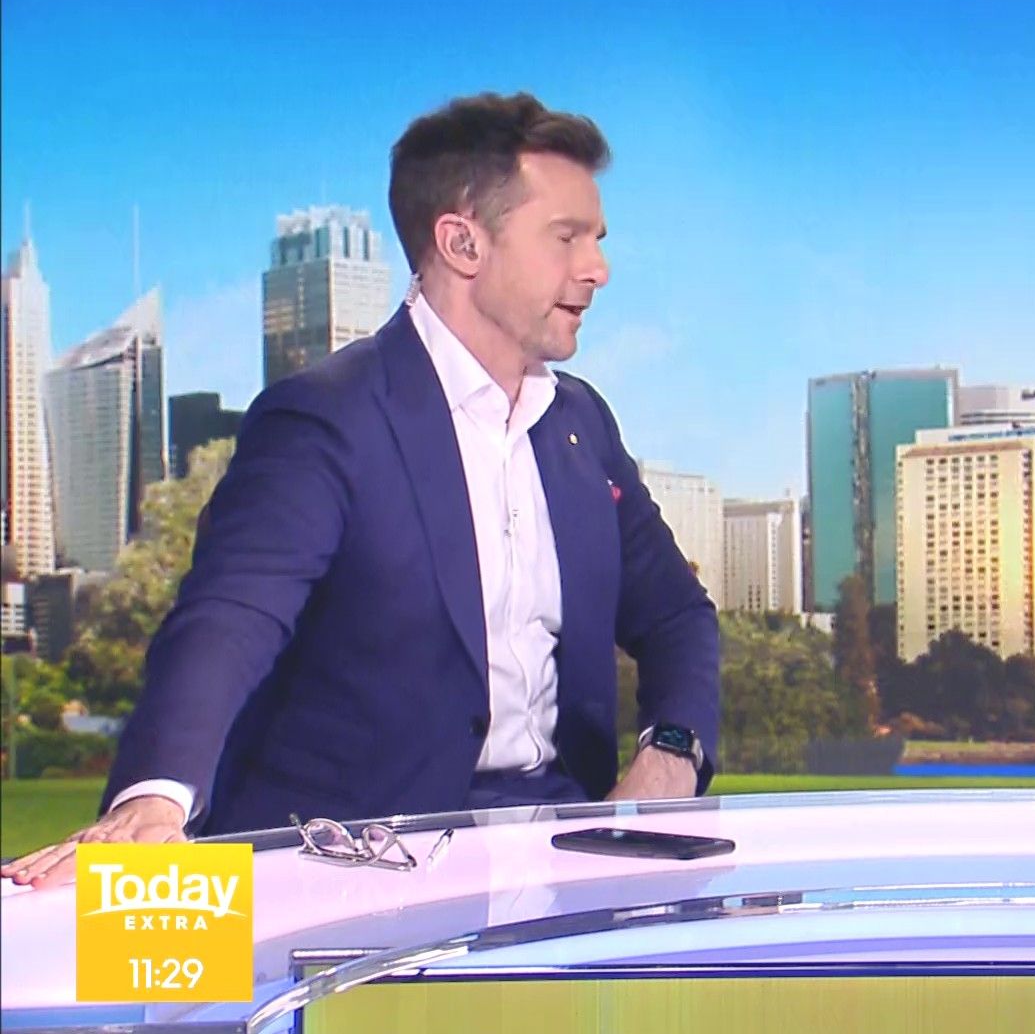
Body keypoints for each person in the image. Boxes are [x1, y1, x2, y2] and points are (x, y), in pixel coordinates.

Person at [7, 92, 721, 888]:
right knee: (125, 949)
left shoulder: (581, 423)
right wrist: (154, 798)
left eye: (597, 240)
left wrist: (670, 755)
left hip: (559, 859)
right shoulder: (326, 417)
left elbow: (677, 616)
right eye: (566, 238)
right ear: (461, 243)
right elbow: (232, 616)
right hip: (353, 869)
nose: (597, 269)